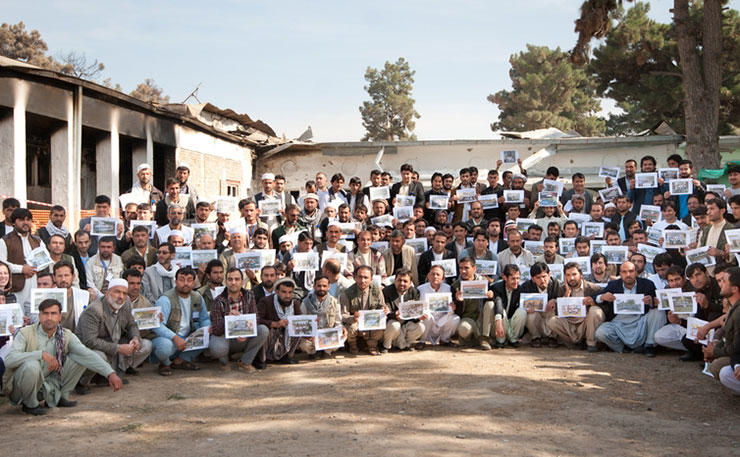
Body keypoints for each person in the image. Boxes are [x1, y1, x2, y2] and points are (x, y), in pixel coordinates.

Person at [2, 298, 123, 416]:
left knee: (80, 357)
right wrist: (40, 355)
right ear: (39, 316)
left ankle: (60, 397)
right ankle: (30, 404)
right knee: (31, 365)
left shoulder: (66, 335)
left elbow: (86, 354)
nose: (49, 318)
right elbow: (9, 360)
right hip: (23, 389)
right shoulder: (25, 333)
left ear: (60, 316)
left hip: (48, 384)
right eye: (45, 313)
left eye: (53, 313)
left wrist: (110, 373)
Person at [75, 278, 151, 391]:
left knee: (146, 345)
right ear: (107, 293)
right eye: (117, 292)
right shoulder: (94, 310)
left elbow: (132, 324)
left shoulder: (125, 304)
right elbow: (90, 341)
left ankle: (106, 377)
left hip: (114, 344)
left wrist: (135, 338)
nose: (121, 296)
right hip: (93, 348)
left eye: (124, 293)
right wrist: (118, 348)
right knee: (99, 356)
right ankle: (82, 382)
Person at [151, 267, 210, 375]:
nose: (185, 283)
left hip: (187, 337)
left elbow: (204, 318)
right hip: (169, 338)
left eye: (189, 280)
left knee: (209, 336)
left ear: (193, 282)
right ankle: (165, 363)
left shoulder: (197, 297)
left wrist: (207, 328)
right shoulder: (165, 299)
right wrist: (175, 337)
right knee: (165, 347)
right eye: (182, 280)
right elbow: (157, 325)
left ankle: (181, 360)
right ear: (176, 281)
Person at [210, 268, 269, 372]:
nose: (233, 282)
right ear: (225, 281)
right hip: (226, 339)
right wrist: (227, 319)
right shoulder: (218, 300)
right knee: (217, 347)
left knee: (263, 330)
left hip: (244, 337)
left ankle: (245, 362)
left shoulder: (249, 295)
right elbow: (216, 330)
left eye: (237, 279)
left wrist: (246, 332)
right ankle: (224, 361)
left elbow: (256, 319)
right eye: (230, 279)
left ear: (242, 282)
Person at [594, 261, 659, 356]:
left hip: (640, 321)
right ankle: (623, 348)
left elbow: (656, 303)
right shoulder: (613, 285)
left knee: (658, 313)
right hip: (619, 323)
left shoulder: (647, 284)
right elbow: (595, 297)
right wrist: (603, 297)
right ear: (620, 274)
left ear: (636, 272)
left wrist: (651, 302)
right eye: (624, 272)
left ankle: (648, 346)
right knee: (601, 332)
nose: (628, 275)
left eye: (631, 271)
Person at [547, 262, 604, 351]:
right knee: (552, 322)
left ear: (581, 275)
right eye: (568, 275)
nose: (571, 278)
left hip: (586, 322)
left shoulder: (594, 288)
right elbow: (559, 312)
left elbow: (606, 309)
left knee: (595, 311)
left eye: (574, 274)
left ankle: (591, 344)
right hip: (570, 323)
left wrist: (593, 304)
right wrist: (567, 293)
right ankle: (574, 344)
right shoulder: (562, 289)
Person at [340, 266, 388, 355]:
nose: (362, 280)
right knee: (351, 327)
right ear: (355, 278)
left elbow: (382, 306)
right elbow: (343, 315)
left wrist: (384, 310)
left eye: (366, 278)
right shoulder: (347, 293)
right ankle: (353, 345)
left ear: (371, 279)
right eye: (360, 277)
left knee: (381, 323)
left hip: (371, 320)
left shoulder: (377, 290)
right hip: (356, 322)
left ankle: (372, 346)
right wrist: (353, 318)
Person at [451, 256, 495, 349]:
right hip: (468, 319)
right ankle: (472, 340)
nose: (463, 271)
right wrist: (459, 302)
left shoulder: (484, 282)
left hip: (483, 320)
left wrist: (490, 296)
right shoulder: (455, 286)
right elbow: (457, 313)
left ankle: (484, 338)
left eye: (466, 268)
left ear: (474, 269)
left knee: (490, 304)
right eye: (461, 268)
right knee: (463, 329)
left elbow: (491, 302)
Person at [0, 208, 41, 308]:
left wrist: (32, 270)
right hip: (15, 287)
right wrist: (22, 269)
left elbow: (45, 260)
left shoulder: (37, 241)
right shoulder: (5, 241)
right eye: (21, 220)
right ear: (14, 222)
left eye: (28, 220)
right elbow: (2, 263)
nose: (25, 223)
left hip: (35, 284)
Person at [256, 277, 303, 364]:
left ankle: (287, 356)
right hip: (271, 335)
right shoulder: (266, 302)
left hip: (284, 336)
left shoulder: (294, 303)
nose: (287, 296)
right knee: (264, 330)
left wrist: (311, 324)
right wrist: (274, 324)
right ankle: (262, 359)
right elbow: (257, 319)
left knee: (297, 328)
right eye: (284, 292)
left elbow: (300, 320)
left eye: (290, 292)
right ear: (277, 291)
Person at [299, 274, 345, 358]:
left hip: (328, 335)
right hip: (312, 336)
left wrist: (341, 329)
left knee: (343, 335)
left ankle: (327, 351)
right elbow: (302, 323)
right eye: (319, 286)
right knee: (303, 344)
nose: (322, 288)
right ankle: (313, 353)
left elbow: (338, 322)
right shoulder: (305, 302)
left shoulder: (334, 302)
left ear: (329, 287)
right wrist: (308, 334)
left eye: (324, 286)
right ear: (314, 286)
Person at [706, 267, 740, 378]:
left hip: (736, 355)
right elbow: (726, 336)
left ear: (734, 288)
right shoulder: (733, 307)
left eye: (724, 281)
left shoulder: (738, 312)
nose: (720, 285)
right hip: (734, 354)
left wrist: (714, 352)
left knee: (720, 370)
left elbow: (736, 348)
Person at [520, 262, 564, 348]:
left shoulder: (557, 284)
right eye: (538, 278)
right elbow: (522, 304)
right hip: (537, 316)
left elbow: (565, 301)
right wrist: (527, 308)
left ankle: (553, 337)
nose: (542, 280)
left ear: (549, 275)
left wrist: (555, 301)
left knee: (555, 309)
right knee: (530, 314)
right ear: (533, 279)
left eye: (544, 276)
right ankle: (535, 337)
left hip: (549, 314)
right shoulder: (526, 286)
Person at [382, 269, 426, 352]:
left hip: (406, 323)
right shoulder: (386, 292)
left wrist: (419, 317)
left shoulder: (414, 292)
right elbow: (386, 312)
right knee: (394, 325)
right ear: (395, 280)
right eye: (399, 280)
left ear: (410, 283)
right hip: (392, 322)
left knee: (421, 327)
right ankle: (386, 346)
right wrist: (395, 315)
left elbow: (415, 313)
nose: (402, 283)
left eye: (405, 281)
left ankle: (404, 344)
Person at [491, 264, 527, 348]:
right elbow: (498, 304)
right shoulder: (496, 287)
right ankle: (501, 340)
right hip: (500, 320)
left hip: (511, 320)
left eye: (518, 278)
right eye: (513, 279)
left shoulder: (520, 289)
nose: (516, 282)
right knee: (501, 312)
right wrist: (499, 322)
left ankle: (513, 339)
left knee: (522, 311)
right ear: (504, 277)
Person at [53, 261, 91, 333]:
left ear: (73, 277)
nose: (63, 279)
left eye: (66, 275)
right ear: (54, 278)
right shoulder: (47, 296)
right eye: (59, 276)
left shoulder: (84, 295)